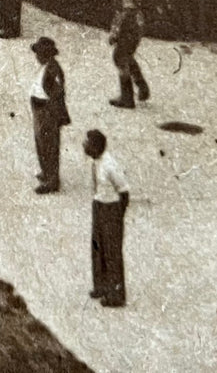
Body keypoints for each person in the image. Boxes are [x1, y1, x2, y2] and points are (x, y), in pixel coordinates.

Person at [84, 129, 129, 308]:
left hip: (111, 208)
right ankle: (101, 286)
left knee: (112, 253)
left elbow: (124, 190)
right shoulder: (96, 161)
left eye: (87, 143)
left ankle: (116, 295)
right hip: (99, 205)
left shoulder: (110, 165)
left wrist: (117, 216)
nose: (84, 146)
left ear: (96, 147)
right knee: (97, 248)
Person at [109, 0, 150, 108]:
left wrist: (115, 32)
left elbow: (126, 11)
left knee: (119, 57)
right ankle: (142, 86)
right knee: (128, 55)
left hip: (129, 24)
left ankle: (127, 97)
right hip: (139, 22)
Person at [29, 36, 70, 194]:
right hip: (40, 109)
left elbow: (57, 94)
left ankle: (52, 180)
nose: (36, 57)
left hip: (47, 112)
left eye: (38, 54)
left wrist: (52, 116)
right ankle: (46, 172)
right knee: (41, 144)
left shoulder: (53, 70)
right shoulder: (46, 66)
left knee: (49, 146)